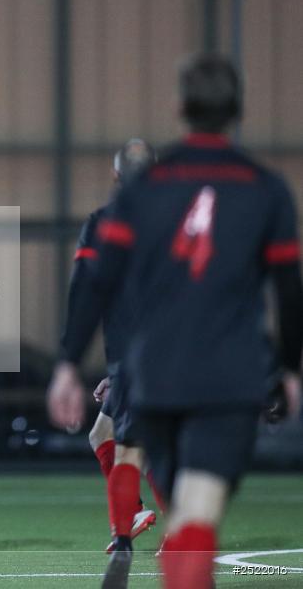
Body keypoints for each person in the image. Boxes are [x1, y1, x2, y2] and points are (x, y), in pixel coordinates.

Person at [48, 53, 303, 589]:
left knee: (137, 459)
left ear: (178, 107)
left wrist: (69, 361)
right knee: (197, 509)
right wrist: (287, 368)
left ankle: (130, 537)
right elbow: (288, 289)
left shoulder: (141, 192)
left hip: (154, 373)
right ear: (239, 110)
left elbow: (95, 284)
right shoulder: (266, 188)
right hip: (229, 375)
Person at [64, 139, 166, 556]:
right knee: (103, 433)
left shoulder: (104, 222)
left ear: (116, 176)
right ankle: (138, 515)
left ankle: (146, 528)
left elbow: (86, 292)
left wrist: (68, 362)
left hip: (140, 358)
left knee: (135, 445)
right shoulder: (177, 222)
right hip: (169, 353)